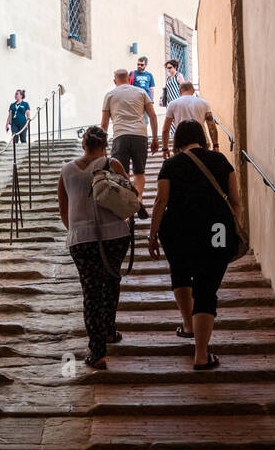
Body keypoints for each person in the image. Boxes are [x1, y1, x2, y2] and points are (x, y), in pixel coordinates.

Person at [147, 119, 241, 370]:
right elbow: (236, 201)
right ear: (202, 136)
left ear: (178, 140)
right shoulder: (221, 161)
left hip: (178, 229)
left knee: (179, 271)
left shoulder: (171, 164)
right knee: (206, 287)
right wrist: (231, 229)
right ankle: (201, 354)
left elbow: (160, 201)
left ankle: (187, 324)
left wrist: (152, 235)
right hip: (216, 230)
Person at [57, 125, 131, 369]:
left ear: (83, 145)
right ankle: (109, 330)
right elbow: (130, 196)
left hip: (82, 239)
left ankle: (97, 351)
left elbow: (63, 207)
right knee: (111, 282)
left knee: (91, 292)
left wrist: (76, 230)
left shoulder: (67, 170)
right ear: (104, 145)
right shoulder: (113, 164)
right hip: (115, 235)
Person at [101, 68, 159, 220]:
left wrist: (102, 146)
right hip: (140, 135)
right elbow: (152, 115)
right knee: (139, 172)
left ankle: (126, 213)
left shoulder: (110, 95)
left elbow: (104, 124)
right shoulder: (141, 92)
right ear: (129, 79)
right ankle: (138, 200)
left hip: (120, 136)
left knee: (121, 173)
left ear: (115, 81)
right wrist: (155, 139)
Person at [162, 81, 219, 155]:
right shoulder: (204, 103)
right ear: (193, 90)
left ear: (179, 91)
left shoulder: (172, 104)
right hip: (201, 141)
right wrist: (215, 145)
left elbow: (165, 129)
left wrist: (165, 148)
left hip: (181, 143)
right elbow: (211, 126)